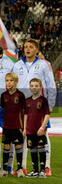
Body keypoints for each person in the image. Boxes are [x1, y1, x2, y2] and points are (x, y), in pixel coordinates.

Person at [13, 39, 56, 176]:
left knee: (42, 133)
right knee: (23, 135)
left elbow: (51, 84)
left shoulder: (44, 64)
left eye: (31, 47)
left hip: (39, 106)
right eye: (25, 47)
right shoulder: (17, 65)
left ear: (36, 50)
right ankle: (23, 166)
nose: (27, 49)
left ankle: (47, 166)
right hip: (22, 106)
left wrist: (49, 105)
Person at [0, 72, 26, 178]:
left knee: (18, 145)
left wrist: (24, 125)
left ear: (16, 82)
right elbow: (3, 109)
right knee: (6, 146)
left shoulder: (20, 95)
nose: (9, 83)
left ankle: (19, 169)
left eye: (11, 80)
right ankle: (4, 169)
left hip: (17, 125)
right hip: (7, 126)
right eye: (7, 80)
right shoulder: (3, 95)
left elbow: (24, 111)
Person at [23, 78, 50, 178]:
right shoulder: (27, 101)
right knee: (33, 150)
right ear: (30, 87)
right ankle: (35, 171)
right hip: (30, 130)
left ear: (40, 87)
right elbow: (25, 115)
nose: (34, 88)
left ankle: (42, 171)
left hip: (39, 130)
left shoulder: (43, 100)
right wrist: (25, 129)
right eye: (32, 86)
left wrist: (43, 128)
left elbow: (47, 114)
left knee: (41, 148)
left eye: (36, 86)